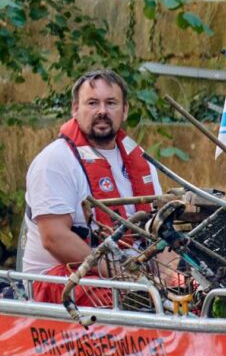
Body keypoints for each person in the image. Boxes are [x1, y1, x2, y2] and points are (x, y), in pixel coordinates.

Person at [22, 69, 161, 304]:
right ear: (75, 109)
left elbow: (160, 231)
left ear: (124, 110)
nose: (102, 112)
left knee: (193, 290)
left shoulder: (143, 163)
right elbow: (54, 238)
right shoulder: (55, 160)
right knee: (125, 303)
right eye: (93, 103)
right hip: (60, 280)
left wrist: (170, 279)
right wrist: (124, 274)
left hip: (130, 278)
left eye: (111, 103)